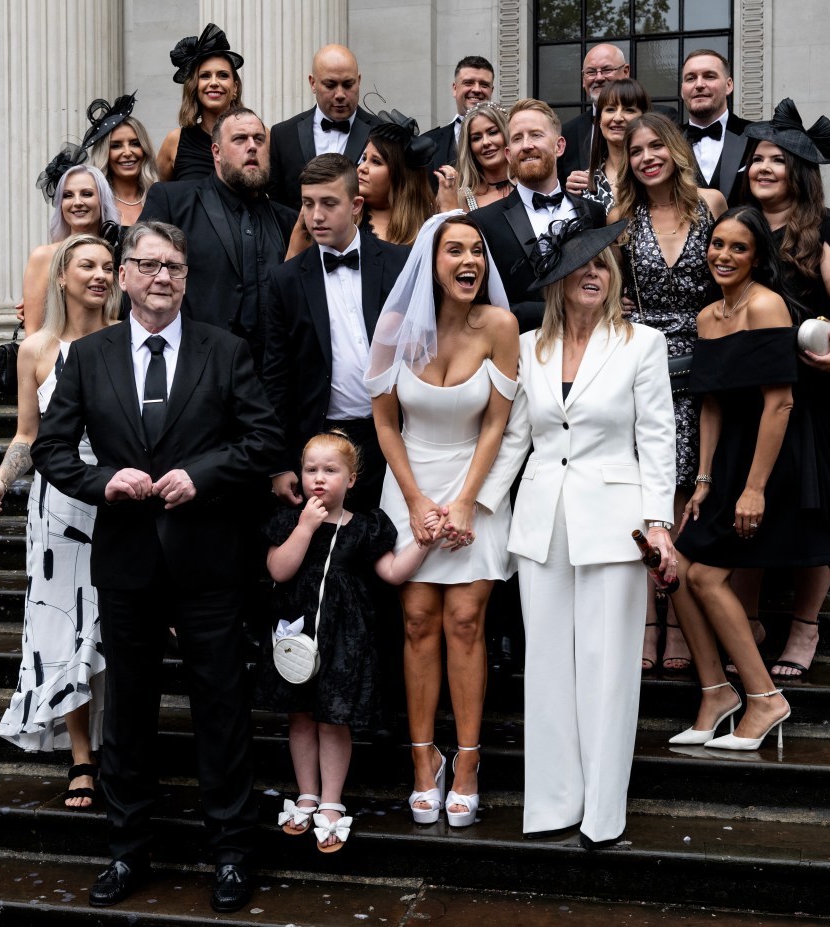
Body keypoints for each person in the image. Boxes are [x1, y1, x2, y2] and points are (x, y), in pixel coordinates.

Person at [30, 220, 285, 913]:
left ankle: (232, 852)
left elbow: (263, 439)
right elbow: (53, 451)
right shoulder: (88, 357)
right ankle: (126, 847)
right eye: (148, 265)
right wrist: (102, 480)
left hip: (209, 559)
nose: (162, 277)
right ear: (124, 277)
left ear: (186, 277)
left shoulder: (225, 351)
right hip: (127, 559)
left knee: (223, 709)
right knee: (131, 715)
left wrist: (201, 475)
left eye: (174, 266)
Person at [497, 217, 676, 846]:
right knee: (546, 666)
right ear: (559, 281)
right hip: (542, 523)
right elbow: (515, 440)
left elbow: (655, 439)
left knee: (608, 667)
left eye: (602, 264)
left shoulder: (641, 344)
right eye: (580, 265)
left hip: (615, 525)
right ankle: (550, 805)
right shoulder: (527, 347)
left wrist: (659, 524)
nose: (593, 273)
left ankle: (603, 813)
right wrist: (476, 507)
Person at [366, 213, 519, 828]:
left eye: (477, 251)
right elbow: (382, 422)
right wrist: (415, 502)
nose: (469, 261)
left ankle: (469, 762)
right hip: (408, 484)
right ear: (429, 262)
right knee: (417, 619)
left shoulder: (501, 326)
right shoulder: (395, 328)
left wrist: (465, 502)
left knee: (464, 621)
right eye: (454, 250)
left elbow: (498, 424)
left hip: (472, 486)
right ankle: (423, 758)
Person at [738, 99, 830, 680]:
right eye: (757, 158)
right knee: (756, 502)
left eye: (776, 159)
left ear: (800, 171)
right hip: (762, 390)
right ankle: (747, 620)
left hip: (828, 389)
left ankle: (805, 626)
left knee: (820, 506)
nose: (763, 167)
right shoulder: (738, 231)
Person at [0, 234, 119, 808]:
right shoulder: (34, 348)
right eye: (87, 265)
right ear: (62, 276)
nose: (100, 275)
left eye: (109, 266)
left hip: (117, 495)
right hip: (58, 506)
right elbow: (27, 435)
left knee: (115, 621)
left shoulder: (124, 340)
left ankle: (125, 745)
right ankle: (82, 757)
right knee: (64, 627)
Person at [255, 431, 431, 851]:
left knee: (334, 717)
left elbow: (391, 572)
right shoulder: (288, 520)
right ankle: (307, 793)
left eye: (330, 471)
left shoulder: (366, 526)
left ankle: (332, 800)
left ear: (351, 479)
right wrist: (305, 526)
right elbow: (279, 570)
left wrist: (424, 543)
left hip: (344, 638)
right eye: (311, 470)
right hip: (297, 633)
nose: (319, 478)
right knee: (300, 715)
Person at [669, 206, 802, 751]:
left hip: (769, 462)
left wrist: (753, 488)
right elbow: (712, 407)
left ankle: (765, 697)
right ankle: (715, 692)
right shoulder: (707, 316)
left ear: (757, 257)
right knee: (674, 567)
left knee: (705, 577)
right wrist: (703, 478)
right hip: (724, 465)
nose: (723, 255)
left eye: (738, 248)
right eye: (717, 244)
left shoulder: (766, 306)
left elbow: (780, 403)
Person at [611, 112, 726, 675]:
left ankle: (677, 621)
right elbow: (608, 292)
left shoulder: (712, 204)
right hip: (644, 361)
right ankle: (647, 621)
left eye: (657, 145)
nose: (647, 157)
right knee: (647, 492)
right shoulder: (621, 219)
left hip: (703, 360)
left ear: (675, 148)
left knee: (683, 496)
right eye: (637, 151)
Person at [261, 153, 409, 511]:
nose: (316, 216)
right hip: (320, 441)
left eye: (329, 203)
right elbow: (276, 376)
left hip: (396, 434)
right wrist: (280, 462)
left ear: (356, 205)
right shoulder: (285, 280)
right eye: (308, 204)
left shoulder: (399, 263)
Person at [141, 106, 297, 367]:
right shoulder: (173, 202)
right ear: (216, 152)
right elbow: (140, 283)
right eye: (239, 139)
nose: (252, 147)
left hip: (271, 379)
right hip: (194, 370)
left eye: (259, 139)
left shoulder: (288, 221)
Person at [471, 98, 607, 333]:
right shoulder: (483, 222)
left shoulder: (593, 213)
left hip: (590, 347)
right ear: (508, 154)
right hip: (519, 354)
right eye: (517, 138)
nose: (526, 145)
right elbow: (479, 305)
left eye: (536, 135)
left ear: (559, 146)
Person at [268, 44, 379, 212]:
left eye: (348, 84)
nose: (340, 94)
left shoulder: (382, 133)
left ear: (359, 81)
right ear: (313, 83)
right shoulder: (283, 135)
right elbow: (276, 206)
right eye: (330, 85)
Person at [21, 161, 120, 336]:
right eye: (68, 195)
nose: (77, 202)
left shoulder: (120, 253)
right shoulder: (44, 257)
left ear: (102, 200)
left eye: (87, 194)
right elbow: (33, 334)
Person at [156, 23, 244, 182]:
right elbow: (160, 198)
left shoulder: (260, 136)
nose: (214, 82)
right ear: (194, 87)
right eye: (205, 76)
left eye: (223, 75)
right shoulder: (174, 141)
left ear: (235, 87)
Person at [680, 49, 752, 205]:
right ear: (682, 89)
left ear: (728, 85)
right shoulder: (667, 142)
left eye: (709, 76)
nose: (699, 84)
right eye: (690, 78)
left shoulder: (757, 137)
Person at [358, 111, 437, 245]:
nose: (361, 168)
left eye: (376, 162)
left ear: (401, 175)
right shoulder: (344, 222)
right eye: (364, 159)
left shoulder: (430, 231)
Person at [85, 93, 160, 228]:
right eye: (116, 146)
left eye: (135, 143)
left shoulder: (162, 199)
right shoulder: (94, 202)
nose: (127, 152)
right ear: (104, 154)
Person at [560, 43, 631, 183]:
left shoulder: (659, 117)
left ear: (626, 72)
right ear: (583, 79)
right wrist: (569, 195)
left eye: (606, 70)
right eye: (591, 72)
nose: (598, 78)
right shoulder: (567, 134)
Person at [581, 78, 649, 213]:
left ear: (644, 117)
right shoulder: (585, 182)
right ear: (599, 119)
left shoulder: (654, 171)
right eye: (610, 109)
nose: (618, 118)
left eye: (629, 110)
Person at [424, 55, 495, 182]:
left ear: (492, 91)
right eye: (468, 83)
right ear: (455, 89)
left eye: (484, 85)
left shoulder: (509, 137)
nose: (477, 89)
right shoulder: (428, 143)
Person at [435, 101, 512, 213]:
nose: (485, 142)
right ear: (469, 148)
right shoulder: (461, 199)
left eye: (493, 132)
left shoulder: (530, 183)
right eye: (476, 138)